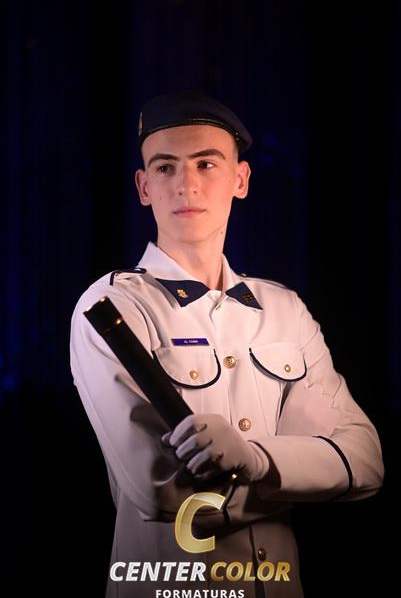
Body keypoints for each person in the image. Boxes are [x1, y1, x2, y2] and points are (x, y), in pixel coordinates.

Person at [70, 91, 384, 598]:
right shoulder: (113, 308)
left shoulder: (283, 309)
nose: (186, 184)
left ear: (241, 180)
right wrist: (300, 473)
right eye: (165, 167)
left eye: (206, 164)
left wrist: (256, 459)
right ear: (144, 187)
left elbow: (364, 463)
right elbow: (166, 492)